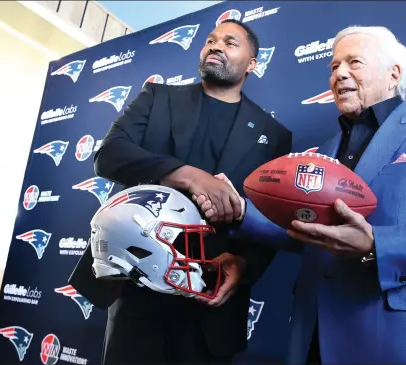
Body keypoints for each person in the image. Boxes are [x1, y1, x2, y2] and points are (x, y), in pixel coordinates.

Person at [196, 25, 406, 364]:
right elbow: (306, 231)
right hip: (315, 335)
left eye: (354, 62)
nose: (339, 73)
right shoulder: (322, 153)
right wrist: (240, 210)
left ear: (394, 73)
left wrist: (375, 245)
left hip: (403, 337)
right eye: (333, 66)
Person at [68, 19, 292, 364]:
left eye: (230, 43)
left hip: (210, 300)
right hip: (137, 288)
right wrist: (186, 175)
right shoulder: (157, 97)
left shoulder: (274, 134)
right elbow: (109, 155)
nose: (216, 46)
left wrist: (244, 264)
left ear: (252, 64)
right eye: (210, 40)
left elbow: (270, 219)